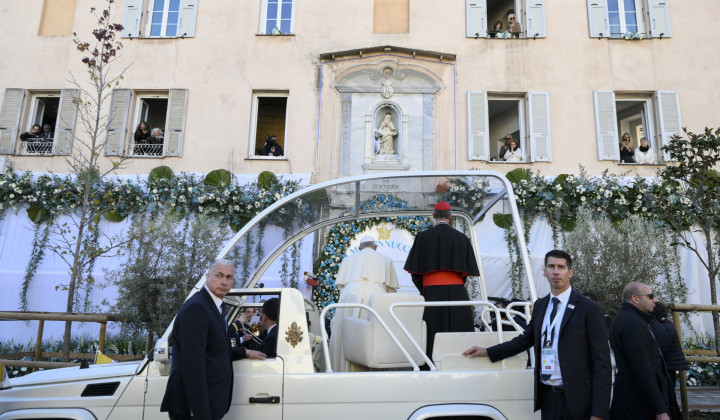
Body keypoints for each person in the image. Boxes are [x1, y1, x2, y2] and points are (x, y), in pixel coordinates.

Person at [463, 250, 612, 420]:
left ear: (570, 272)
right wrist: (488, 351)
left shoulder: (588, 309)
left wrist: (599, 413)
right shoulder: (541, 305)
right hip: (548, 397)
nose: (556, 271)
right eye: (551, 266)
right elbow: (525, 340)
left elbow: (602, 364)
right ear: (545, 272)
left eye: (561, 267)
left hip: (577, 401)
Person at [160, 260, 266, 420]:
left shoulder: (216, 306)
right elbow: (193, 366)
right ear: (207, 276)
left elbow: (214, 350)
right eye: (219, 275)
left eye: (229, 277)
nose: (224, 282)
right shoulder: (197, 308)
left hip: (207, 403)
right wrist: (202, 413)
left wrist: (244, 351)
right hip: (193, 407)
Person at [404, 201, 480, 362]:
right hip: (458, 293)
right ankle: (461, 363)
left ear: (433, 216)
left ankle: (431, 365)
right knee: (460, 331)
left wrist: (425, 290)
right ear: (450, 217)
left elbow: (415, 273)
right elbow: (466, 273)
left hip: (431, 293)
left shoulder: (422, 237)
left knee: (432, 333)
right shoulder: (462, 238)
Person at [330, 236, 399, 372]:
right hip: (377, 295)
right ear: (375, 247)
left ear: (359, 248)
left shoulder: (348, 259)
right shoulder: (386, 259)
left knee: (345, 332)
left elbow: (341, 285)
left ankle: (342, 370)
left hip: (350, 295)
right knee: (374, 335)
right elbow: (391, 290)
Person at [610, 282, 671, 420]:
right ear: (635, 299)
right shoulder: (632, 323)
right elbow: (642, 369)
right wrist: (660, 411)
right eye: (650, 296)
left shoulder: (631, 319)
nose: (654, 300)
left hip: (635, 400)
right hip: (636, 403)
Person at [651, 302, 687, 420]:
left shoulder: (662, 327)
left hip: (668, 366)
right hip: (671, 365)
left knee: (668, 397)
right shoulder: (667, 324)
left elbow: (661, 349)